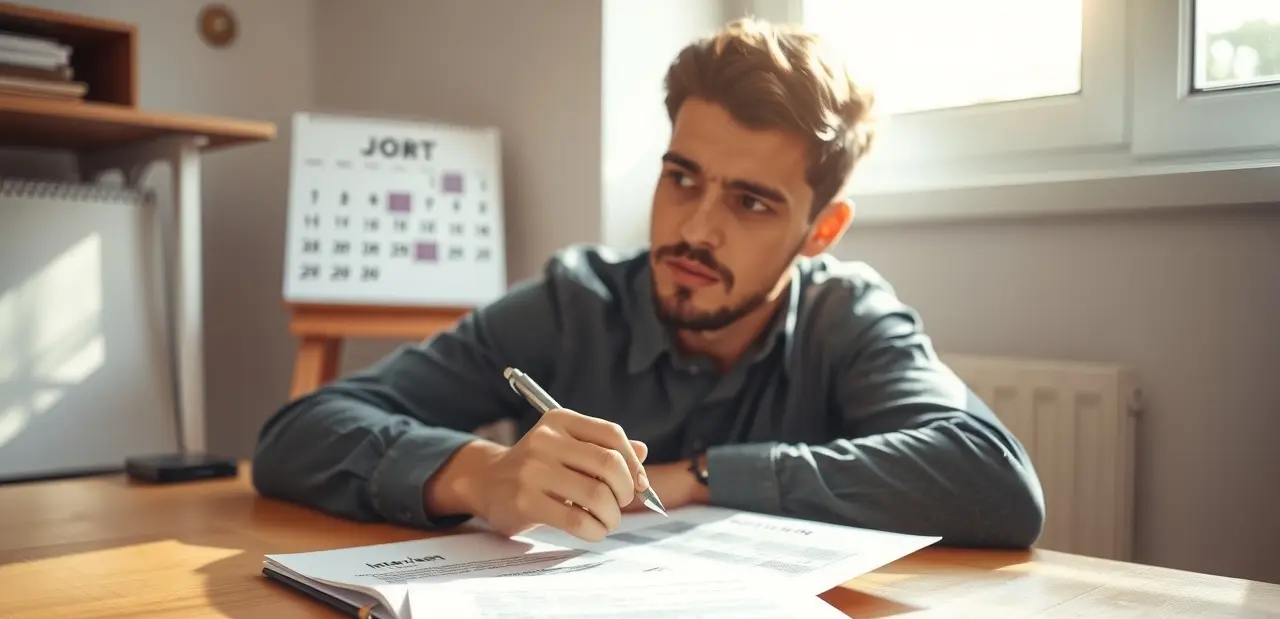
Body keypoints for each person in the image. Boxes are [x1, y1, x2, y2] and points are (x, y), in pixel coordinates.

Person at [252, 18, 1045, 548]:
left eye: (751, 202)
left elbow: (993, 482)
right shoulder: (574, 303)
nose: (696, 229)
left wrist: (701, 477)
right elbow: (297, 434)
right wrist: (481, 474)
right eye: (682, 178)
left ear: (821, 232)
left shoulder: (850, 318)